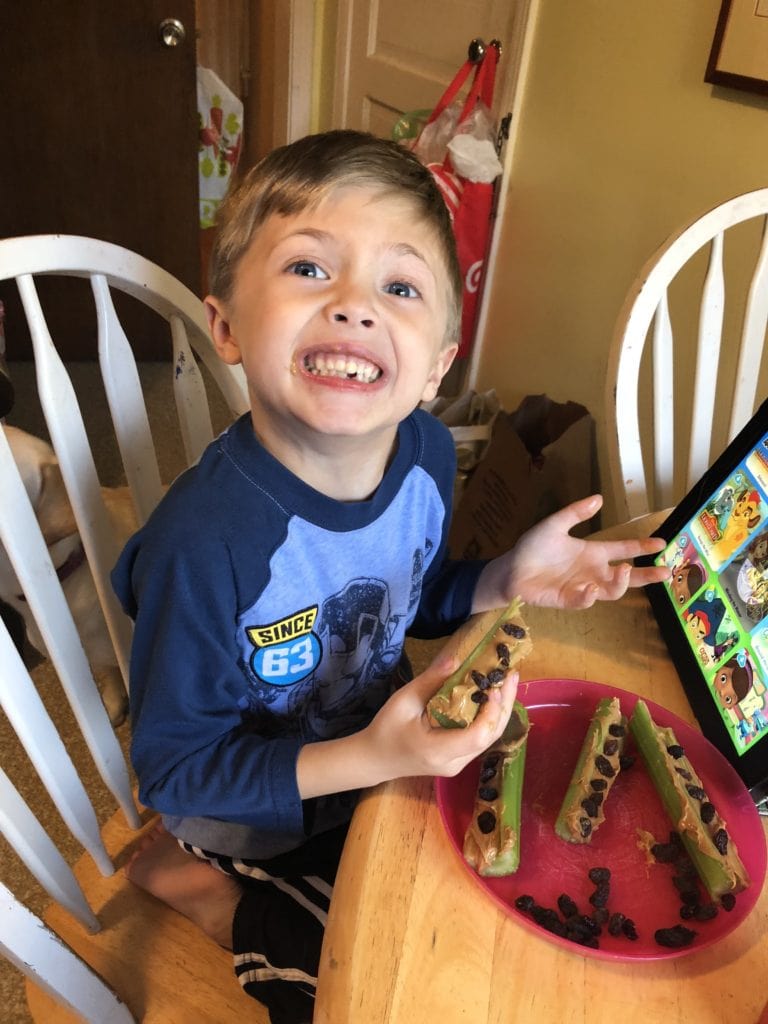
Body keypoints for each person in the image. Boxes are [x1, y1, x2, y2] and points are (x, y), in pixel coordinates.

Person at [112, 129, 669, 1024]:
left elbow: (417, 591)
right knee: (360, 985)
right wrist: (374, 757)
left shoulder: (424, 453)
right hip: (262, 813)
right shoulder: (204, 544)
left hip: (382, 750)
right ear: (224, 325)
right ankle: (217, 898)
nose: (354, 307)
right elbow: (178, 774)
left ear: (440, 362)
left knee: (512, 902)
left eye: (399, 286)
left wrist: (500, 579)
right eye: (307, 269)